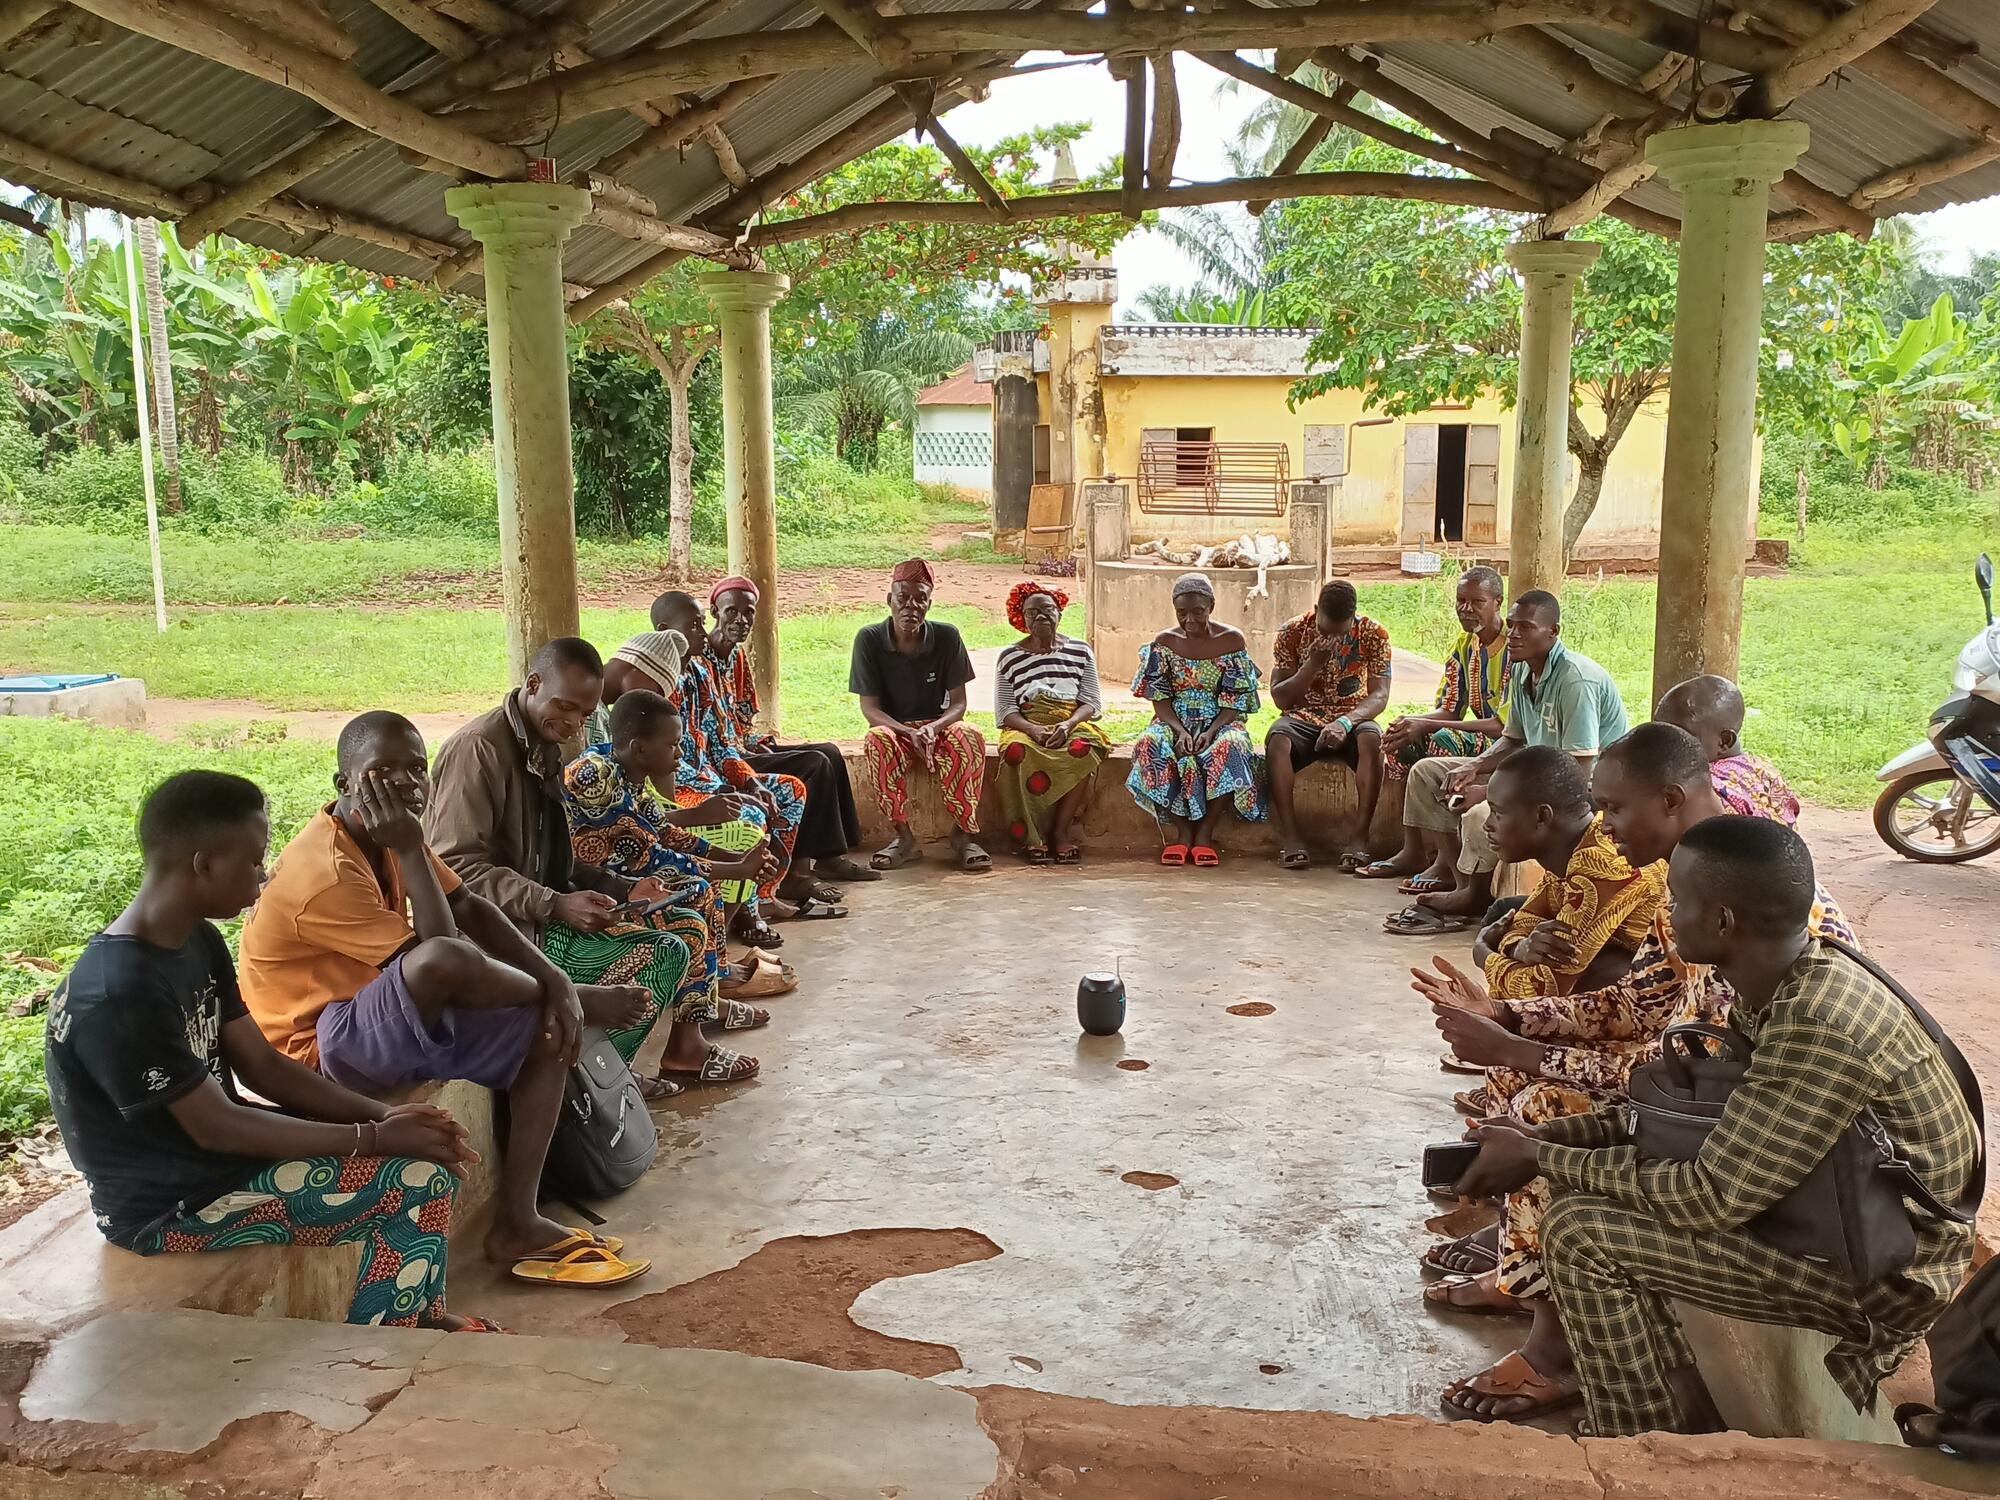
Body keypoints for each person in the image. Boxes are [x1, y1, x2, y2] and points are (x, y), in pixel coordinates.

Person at [1452, 816, 1978, 1439]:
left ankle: (1634, 1442)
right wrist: (1547, 1141)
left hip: (1885, 1277)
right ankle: (1671, 1402)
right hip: (1850, 1219)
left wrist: (1543, 1161)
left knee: (1580, 1230)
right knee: (1582, 1183)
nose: (1667, 913)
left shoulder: (1815, 1022)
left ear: (1723, 921)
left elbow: (1712, 1197)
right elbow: (1692, 1121)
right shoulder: (1789, 978)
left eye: (1678, 900)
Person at [1414, 725, 1857, 1422]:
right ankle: (1526, 1271)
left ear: (1672, 800)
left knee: (1547, 1111)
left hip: (1755, 1139)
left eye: (1614, 809)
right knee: (1517, 1086)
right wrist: (1509, 1016)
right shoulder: (1699, 873)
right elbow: (1643, 1000)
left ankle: (1554, 1351)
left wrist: (1523, 1049)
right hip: (1707, 1093)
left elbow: (1683, 1075)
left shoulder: (1736, 905)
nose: (1604, 827)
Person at [46, 769, 495, 1328]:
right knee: (416, 1181)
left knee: (421, 1153)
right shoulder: (118, 991)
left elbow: (261, 1065)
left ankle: (418, 1311)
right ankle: (387, 1343)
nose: (264, 876)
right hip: (171, 1205)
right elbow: (218, 1127)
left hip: (214, 1164)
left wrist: (386, 1114)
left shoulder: (196, 939)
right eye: (256, 860)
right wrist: (373, 1137)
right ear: (204, 864)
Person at [237, 713, 654, 1287]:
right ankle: (575, 996)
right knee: (447, 960)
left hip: (374, 1015)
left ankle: (517, 1221)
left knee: (547, 1029)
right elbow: (442, 955)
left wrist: (554, 983)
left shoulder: (383, 834)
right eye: (382, 772)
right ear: (344, 785)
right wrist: (566, 989)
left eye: (416, 769)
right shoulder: (327, 872)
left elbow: (471, 908)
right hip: (316, 1051)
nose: (406, 785)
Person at [425, 637, 759, 1090]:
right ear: (533, 684)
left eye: (583, 715)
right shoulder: (479, 750)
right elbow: (455, 870)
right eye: (563, 707)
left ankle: (633, 1060)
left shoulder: (543, 744)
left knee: (682, 920)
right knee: (664, 950)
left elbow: (562, 856)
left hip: (536, 916)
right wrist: (556, 904)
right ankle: (588, 1082)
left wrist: (624, 891)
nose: (572, 724)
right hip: (494, 936)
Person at [562, 690, 792, 1056]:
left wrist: (736, 856)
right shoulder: (597, 779)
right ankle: (688, 1045)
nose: (680, 755)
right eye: (673, 746)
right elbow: (650, 858)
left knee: (705, 887)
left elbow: (664, 833)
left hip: (621, 875)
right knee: (698, 890)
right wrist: (737, 867)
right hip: (590, 886)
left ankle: (704, 1006)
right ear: (639, 748)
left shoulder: (623, 768)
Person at [1387, 590, 1627, 935]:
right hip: (1535, 771)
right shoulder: (1521, 671)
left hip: (1577, 790)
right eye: (1512, 626)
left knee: (1479, 813)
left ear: (1553, 632)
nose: (1513, 635)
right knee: (1430, 772)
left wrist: (1488, 793)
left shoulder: (1575, 680)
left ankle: (1476, 894)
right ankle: (1457, 878)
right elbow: (1513, 738)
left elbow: (1579, 768)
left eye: (1525, 627)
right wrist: (1475, 765)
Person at [649, 593, 817, 945]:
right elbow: (654, 767)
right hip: (677, 789)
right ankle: (746, 915)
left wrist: (752, 784)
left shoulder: (700, 674)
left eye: (700, 623)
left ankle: (763, 895)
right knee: (750, 819)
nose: (701, 631)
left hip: (709, 781)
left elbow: (722, 743)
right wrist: (730, 794)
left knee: (788, 792)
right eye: (693, 625)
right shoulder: (655, 685)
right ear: (665, 632)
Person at [707, 575, 878, 887]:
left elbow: (741, 718)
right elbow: (709, 738)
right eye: (732, 611)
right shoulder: (700, 662)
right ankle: (797, 873)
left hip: (742, 748)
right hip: (722, 761)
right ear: (714, 611)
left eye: (749, 613)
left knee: (829, 751)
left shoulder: (736, 657)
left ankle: (831, 857)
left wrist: (756, 743)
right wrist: (743, 749)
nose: (741, 620)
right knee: (814, 764)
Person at [1362, 566, 1509, 885]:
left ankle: (1446, 860)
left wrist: (1428, 726)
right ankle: (1412, 848)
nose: (1466, 609)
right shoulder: (1465, 644)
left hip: (1505, 743)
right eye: (1460, 601)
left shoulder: (1513, 647)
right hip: (1481, 734)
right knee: (1402, 741)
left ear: (1497, 602)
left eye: (1477, 602)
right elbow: (1451, 708)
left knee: (1442, 741)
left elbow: (1504, 726)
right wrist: (1414, 723)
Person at [850, 558, 990, 873]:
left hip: (937, 729)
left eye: (920, 599)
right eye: (903, 598)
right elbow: (870, 709)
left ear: (929, 603)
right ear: (889, 600)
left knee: (970, 737)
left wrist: (932, 729)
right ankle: (903, 838)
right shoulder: (869, 640)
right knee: (876, 740)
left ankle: (963, 835)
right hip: (895, 731)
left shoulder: (947, 637)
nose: (911, 606)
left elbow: (958, 705)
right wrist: (907, 732)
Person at [1127, 572, 1265, 866]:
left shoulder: (1231, 640)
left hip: (1221, 720)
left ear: (1211, 607)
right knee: (1149, 744)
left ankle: (1204, 832)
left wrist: (1212, 730)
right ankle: (1182, 832)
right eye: (1182, 613)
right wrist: (1178, 731)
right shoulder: (1164, 642)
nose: (1189, 620)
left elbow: (1237, 700)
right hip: (1173, 720)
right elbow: (1159, 697)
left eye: (1198, 612)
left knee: (1233, 746)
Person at [1264, 579, 1391, 872]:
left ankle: (1359, 838)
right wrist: (1311, 665)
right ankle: (1292, 838)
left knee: (1373, 740)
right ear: (1316, 610)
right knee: (1278, 739)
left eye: (1341, 631)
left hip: (1353, 716)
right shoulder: (1292, 632)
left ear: (1354, 617)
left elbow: (1380, 694)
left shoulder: (1374, 634)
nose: (1333, 638)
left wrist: (1345, 722)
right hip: (1304, 716)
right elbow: (1280, 697)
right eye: (1326, 629)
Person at [992, 581, 1110, 864]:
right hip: (1026, 723)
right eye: (1033, 613)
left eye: (1048, 610)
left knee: (1084, 747)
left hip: (1071, 720)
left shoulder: (1081, 650)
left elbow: (1091, 702)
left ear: (1060, 613)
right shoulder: (1009, 657)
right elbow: (1006, 710)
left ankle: (1060, 831)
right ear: (1022, 618)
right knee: (1016, 753)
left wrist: (1067, 725)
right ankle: (1032, 836)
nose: (1041, 617)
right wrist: (1032, 729)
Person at [1656, 674, 1800, 824]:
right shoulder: (1765, 770)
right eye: (1655, 731)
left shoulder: (1701, 788)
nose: (1659, 745)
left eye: (1681, 735)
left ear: (1724, 741)